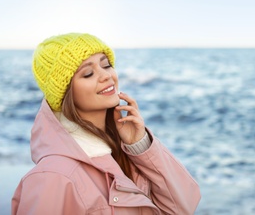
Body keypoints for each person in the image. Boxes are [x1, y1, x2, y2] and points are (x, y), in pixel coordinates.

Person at [11, 33, 201, 214]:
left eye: (107, 65)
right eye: (88, 74)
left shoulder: (124, 151)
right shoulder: (54, 177)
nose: (106, 76)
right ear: (64, 94)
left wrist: (140, 145)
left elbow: (182, 208)